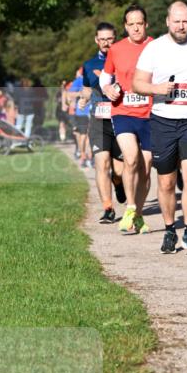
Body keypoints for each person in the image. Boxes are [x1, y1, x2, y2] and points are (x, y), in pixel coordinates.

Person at [133, 0, 187, 256]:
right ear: (167, 21)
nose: (180, 26)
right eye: (176, 21)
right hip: (162, 121)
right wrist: (156, 88)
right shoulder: (154, 48)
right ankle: (170, 230)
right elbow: (137, 83)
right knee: (166, 182)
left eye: (185, 21)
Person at [100, 4, 153, 234]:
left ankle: (138, 214)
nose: (135, 28)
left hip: (150, 114)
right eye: (131, 24)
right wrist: (107, 89)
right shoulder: (116, 49)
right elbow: (105, 77)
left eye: (139, 24)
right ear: (125, 26)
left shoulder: (156, 47)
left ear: (146, 24)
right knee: (131, 159)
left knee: (146, 167)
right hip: (123, 111)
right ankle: (130, 207)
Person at [77, 22, 126, 224]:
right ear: (97, 40)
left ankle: (118, 182)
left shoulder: (125, 59)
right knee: (101, 163)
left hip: (121, 118)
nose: (106, 43)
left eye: (110, 39)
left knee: (120, 170)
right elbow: (88, 88)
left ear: (115, 38)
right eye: (102, 39)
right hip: (99, 120)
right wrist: (83, 98)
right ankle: (108, 208)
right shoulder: (89, 65)